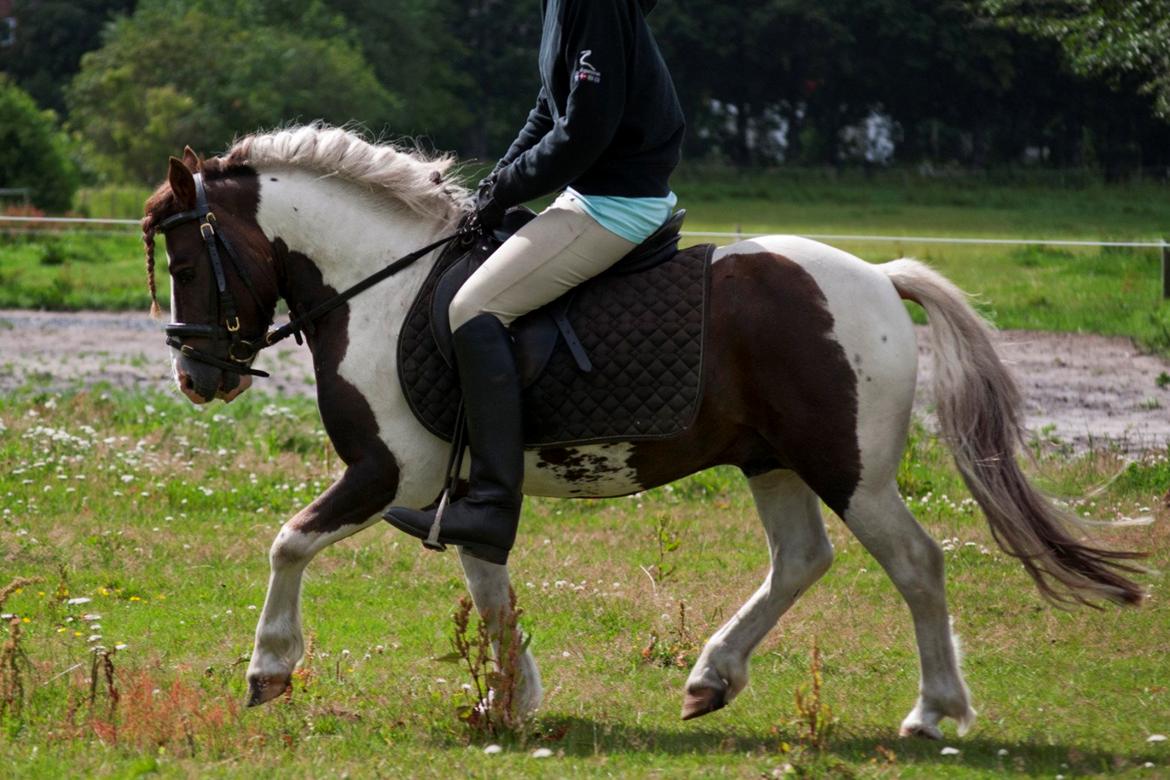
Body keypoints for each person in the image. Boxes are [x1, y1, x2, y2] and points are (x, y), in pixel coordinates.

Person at [385, 0, 685, 565]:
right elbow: (548, 112)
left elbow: (586, 127)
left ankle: (492, 503)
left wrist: (508, 189)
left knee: (474, 308)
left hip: (617, 201)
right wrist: (496, 184)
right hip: (592, 193)